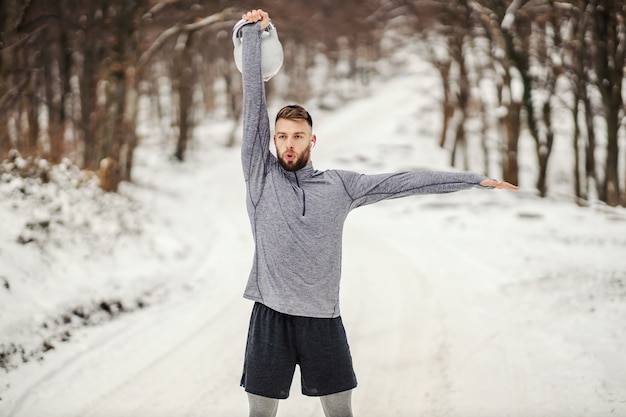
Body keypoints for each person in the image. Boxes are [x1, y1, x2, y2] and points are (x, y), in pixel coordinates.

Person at [237, 9, 518, 417]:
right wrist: (250, 34)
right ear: (274, 140)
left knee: (341, 414)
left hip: (322, 318)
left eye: (297, 136)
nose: (288, 144)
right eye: (281, 136)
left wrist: (474, 180)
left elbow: (402, 182)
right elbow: (252, 101)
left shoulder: (340, 186)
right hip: (270, 316)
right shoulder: (260, 177)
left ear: (312, 139)